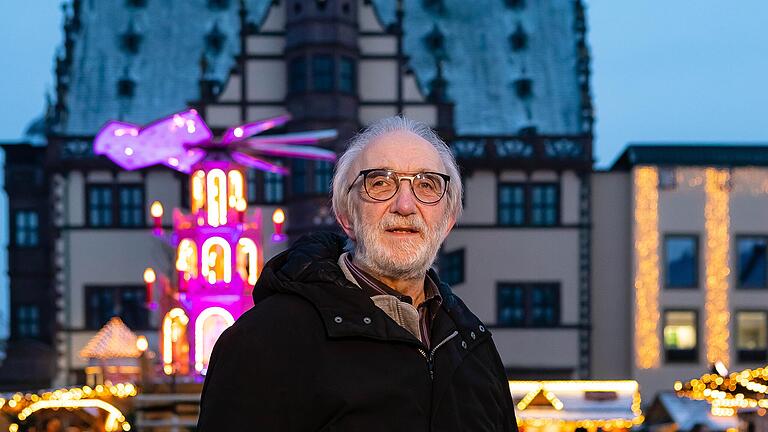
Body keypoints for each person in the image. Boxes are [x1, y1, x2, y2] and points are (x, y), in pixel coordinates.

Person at [198, 116, 518, 431]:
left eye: (426, 184)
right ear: (345, 215)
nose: (405, 205)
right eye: (380, 183)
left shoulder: (473, 345)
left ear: (447, 221)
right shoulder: (266, 341)